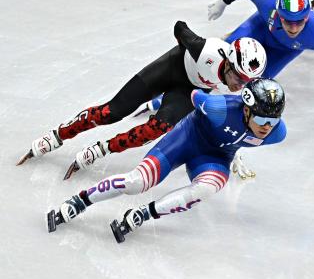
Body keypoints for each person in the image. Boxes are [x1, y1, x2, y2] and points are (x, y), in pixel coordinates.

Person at [47, 78, 287, 243]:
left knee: (208, 187)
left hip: (215, 157)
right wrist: (158, 103)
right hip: (187, 138)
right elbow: (190, 93)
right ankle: (80, 201)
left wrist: (236, 150)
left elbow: (245, 134)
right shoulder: (218, 108)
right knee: (136, 182)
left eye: (273, 121)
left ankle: (145, 213)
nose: (267, 127)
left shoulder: (278, 133)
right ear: (246, 110)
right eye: (262, 118)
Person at [18, 21, 267, 180]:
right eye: (236, 76)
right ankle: (58, 135)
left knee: (155, 129)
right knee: (111, 112)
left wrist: (233, 152)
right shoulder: (206, 51)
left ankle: (100, 149)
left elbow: (233, 118)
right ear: (230, 61)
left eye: (245, 82)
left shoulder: (241, 86)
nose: (237, 85)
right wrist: (184, 40)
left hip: (189, 89)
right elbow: (180, 27)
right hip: (172, 67)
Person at [207, 0, 314, 130]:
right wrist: (223, 1)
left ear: (307, 17)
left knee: (255, 84)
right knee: (227, 53)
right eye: (287, 21)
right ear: (278, 13)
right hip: (261, 28)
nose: (293, 29)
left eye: (299, 22)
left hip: (286, 49)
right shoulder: (268, 3)